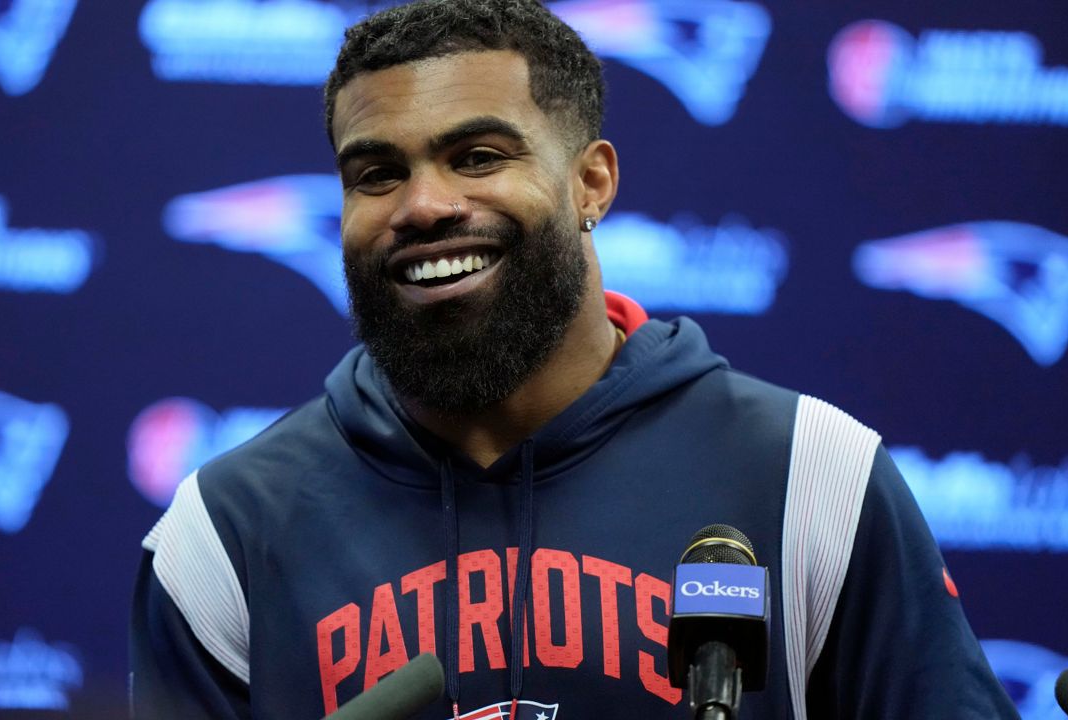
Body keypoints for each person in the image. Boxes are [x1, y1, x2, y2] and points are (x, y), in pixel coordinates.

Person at [129, 1, 1019, 718]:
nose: (424, 205)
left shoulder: (809, 476)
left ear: (591, 182)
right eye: (376, 174)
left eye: (477, 156)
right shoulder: (223, 535)